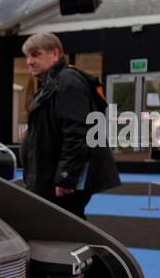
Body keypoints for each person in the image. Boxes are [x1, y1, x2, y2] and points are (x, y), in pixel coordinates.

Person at [18, 32, 120, 218]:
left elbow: (78, 133)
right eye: (27, 56)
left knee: (65, 232)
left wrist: (66, 177)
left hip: (62, 185)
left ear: (55, 54)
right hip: (51, 181)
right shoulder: (53, 84)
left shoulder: (67, 82)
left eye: (36, 54)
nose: (30, 61)